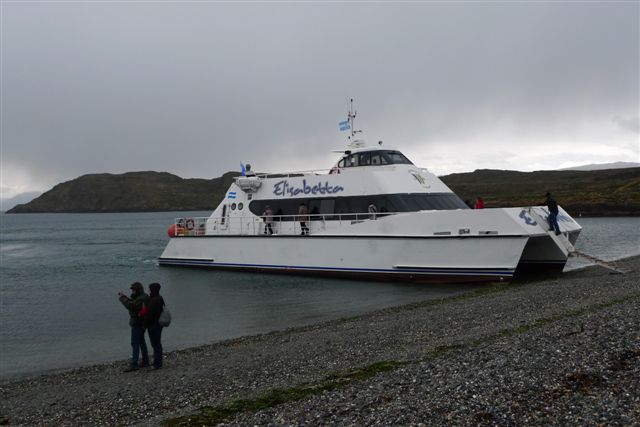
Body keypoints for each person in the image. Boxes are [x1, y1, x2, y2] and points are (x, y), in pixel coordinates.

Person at [118, 282, 150, 372]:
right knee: (141, 342)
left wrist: (122, 298)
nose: (132, 291)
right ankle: (145, 361)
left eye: (133, 289)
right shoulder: (144, 296)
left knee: (135, 343)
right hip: (142, 323)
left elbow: (131, 306)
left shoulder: (141, 298)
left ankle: (134, 364)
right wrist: (125, 297)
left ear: (138, 290)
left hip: (138, 323)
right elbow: (133, 303)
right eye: (132, 289)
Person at [145, 283, 165, 370]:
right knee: (157, 344)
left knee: (155, 344)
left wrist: (144, 325)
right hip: (159, 324)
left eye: (150, 289)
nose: (149, 291)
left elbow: (149, 315)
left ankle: (157, 364)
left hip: (153, 325)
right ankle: (158, 362)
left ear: (153, 290)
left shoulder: (154, 300)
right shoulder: (160, 298)